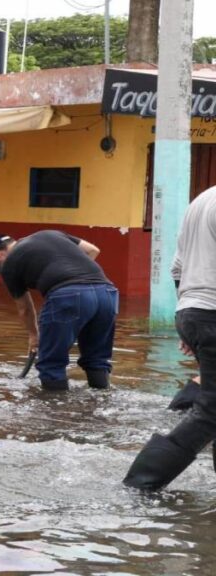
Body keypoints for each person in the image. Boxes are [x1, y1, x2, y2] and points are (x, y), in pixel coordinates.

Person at [124, 186, 216, 490]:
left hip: (193, 310)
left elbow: (177, 268)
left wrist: (188, 321)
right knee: (212, 411)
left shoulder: (203, 199)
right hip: (211, 311)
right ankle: (140, 486)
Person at [0, 230, 118, 391]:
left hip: (68, 296)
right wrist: (79, 279)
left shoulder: (8, 265)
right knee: (97, 359)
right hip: (108, 293)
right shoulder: (51, 234)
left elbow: (25, 309)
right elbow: (92, 250)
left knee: (51, 364)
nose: (0, 269)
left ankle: (54, 413)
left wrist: (34, 336)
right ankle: (100, 405)